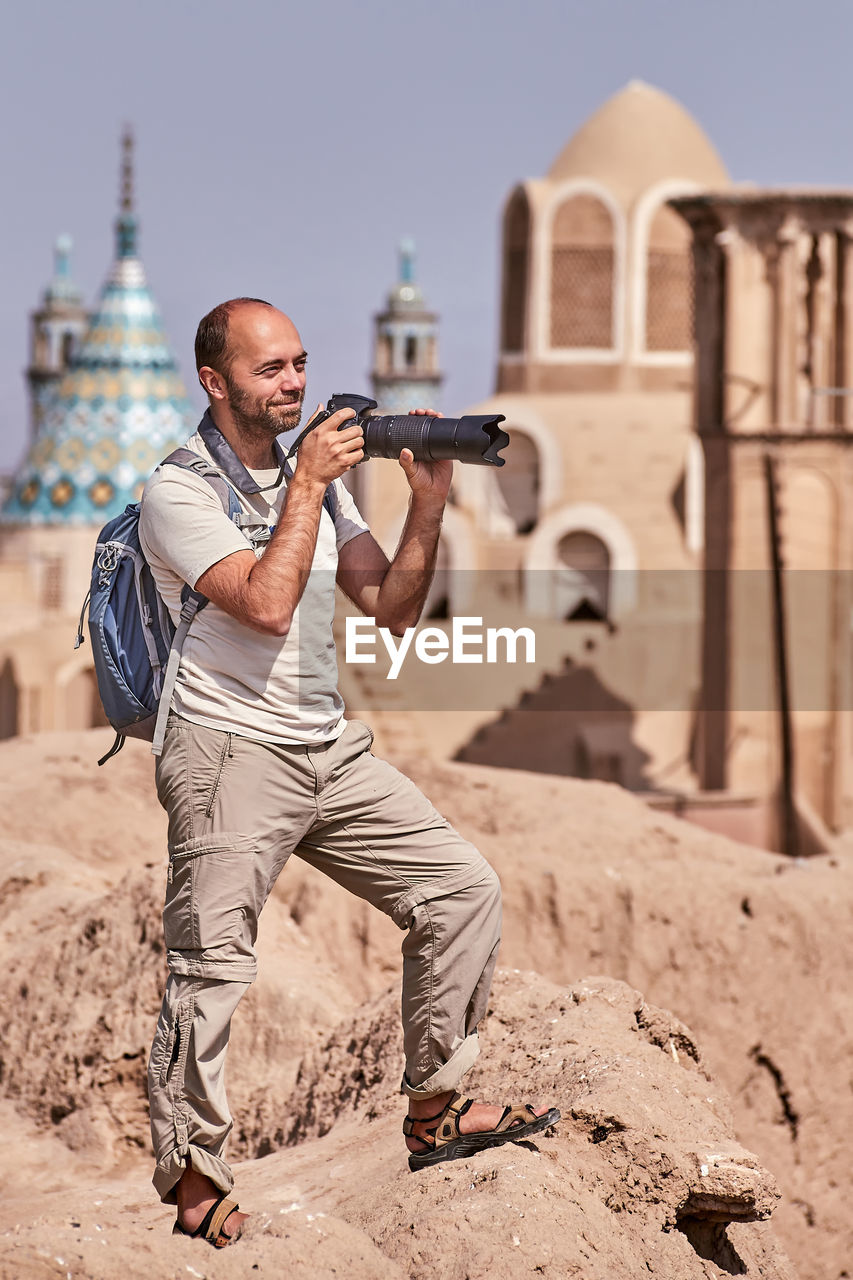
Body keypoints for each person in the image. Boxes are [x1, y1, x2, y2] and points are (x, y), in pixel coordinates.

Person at [138, 297, 559, 1249]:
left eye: (297, 365)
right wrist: (305, 492)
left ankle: (435, 1112)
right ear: (215, 383)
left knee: (460, 888)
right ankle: (194, 1176)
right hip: (226, 750)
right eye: (267, 371)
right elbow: (266, 607)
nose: (291, 384)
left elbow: (392, 610)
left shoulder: (318, 485)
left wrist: (428, 502)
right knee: (211, 966)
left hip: (323, 743)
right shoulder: (181, 492)